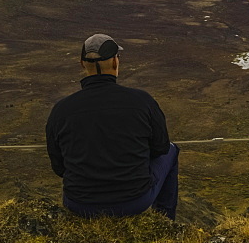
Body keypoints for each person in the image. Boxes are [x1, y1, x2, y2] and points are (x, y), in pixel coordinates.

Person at [45, 33, 179, 220]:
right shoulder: (142, 101)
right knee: (172, 151)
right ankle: (165, 221)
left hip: (79, 203)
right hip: (133, 201)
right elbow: (161, 148)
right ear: (116, 62)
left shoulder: (61, 110)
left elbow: (59, 167)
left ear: (82, 64)